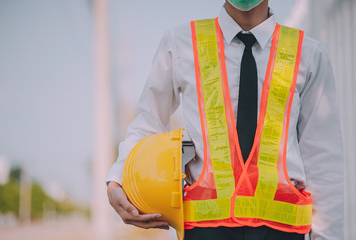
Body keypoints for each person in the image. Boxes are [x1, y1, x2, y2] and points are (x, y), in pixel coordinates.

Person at [107, 0, 344, 239]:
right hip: (204, 230)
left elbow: (323, 161)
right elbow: (148, 124)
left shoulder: (309, 54)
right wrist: (117, 181)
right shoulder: (180, 44)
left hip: (282, 231)